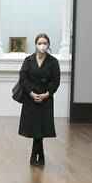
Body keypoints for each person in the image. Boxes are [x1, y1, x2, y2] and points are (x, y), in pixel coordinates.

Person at [18, 32, 60, 166]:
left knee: (41, 127)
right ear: (36, 45)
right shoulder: (28, 60)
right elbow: (23, 78)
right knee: (35, 127)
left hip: (46, 98)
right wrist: (31, 93)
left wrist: (47, 94)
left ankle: (35, 155)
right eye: (40, 43)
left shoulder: (53, 61)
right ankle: (39, 155)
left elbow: (56, 81)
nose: (42, 45)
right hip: (31, 98)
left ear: (48, 45)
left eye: (45, 43)